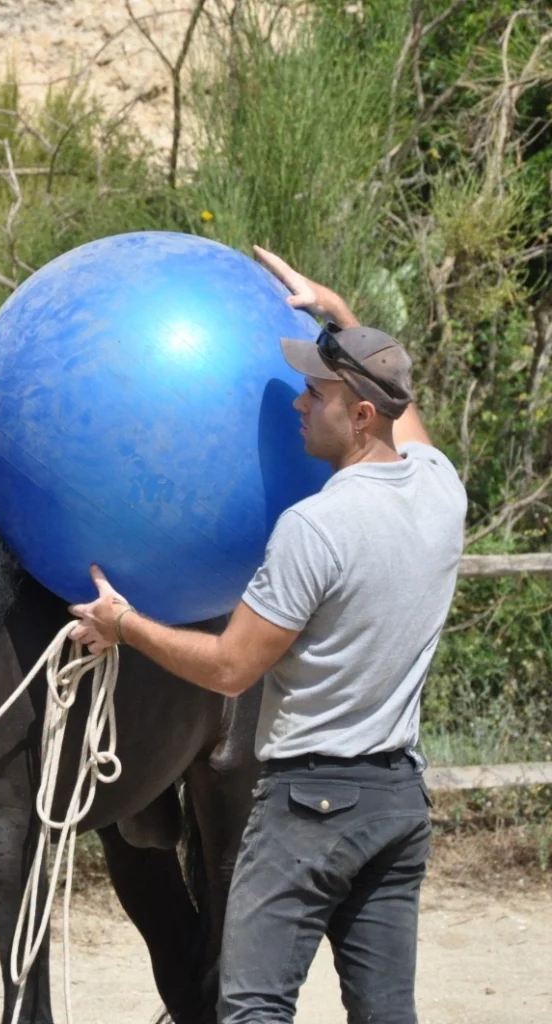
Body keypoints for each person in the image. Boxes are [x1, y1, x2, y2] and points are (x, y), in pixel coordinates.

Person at [68, 246, 468, 1024]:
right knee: (387, 1012)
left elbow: (228, 668)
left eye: (313, 394)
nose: (296, 404)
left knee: (250, 1007)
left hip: (308, 804)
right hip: (397, 802)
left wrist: (125, 624)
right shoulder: (440, 490)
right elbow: (405, 411)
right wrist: (338, 311)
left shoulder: (313, 528)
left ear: (358, 415)